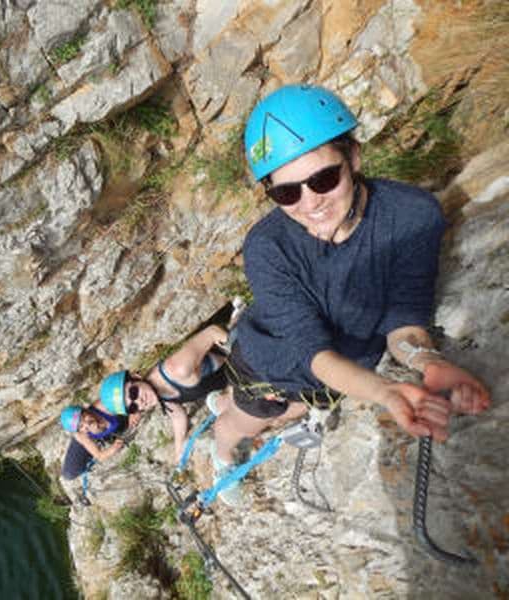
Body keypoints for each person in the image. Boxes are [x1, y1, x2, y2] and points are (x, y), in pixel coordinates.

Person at [205, 83, 490, 503]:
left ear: (353, 157)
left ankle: (231, 404)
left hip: (340, 367)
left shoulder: (412, 216)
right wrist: (385, 392)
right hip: (271, 365)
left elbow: (403, 317)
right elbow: (311, 351)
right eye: (287, 192)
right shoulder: (268, 247)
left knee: (300, 406)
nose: (310, 203)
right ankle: (222, 455)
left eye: (324, 178)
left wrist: (427, 361)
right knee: (248, 421)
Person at [90, 325, 231, 478]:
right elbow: (177, 415)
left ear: (136, 377)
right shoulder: (161, 395)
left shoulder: (176, 369)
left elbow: (212, 332)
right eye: (133, 407)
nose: (139, 401)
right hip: (236, 379)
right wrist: (179, 450)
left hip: (241, 361)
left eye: (133, 392)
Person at [60, 405, 128, 481]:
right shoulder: (81, 434)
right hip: (88, 439)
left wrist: (134, 413)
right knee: (69, 474)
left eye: (84, 418)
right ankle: (93, 444)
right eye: (81, 426)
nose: (86, 424)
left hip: (107, 429)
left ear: (85, 410)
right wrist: (113, 449)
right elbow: (100, 456)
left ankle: (100, 438)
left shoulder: (103, 407)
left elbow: (129, 400)